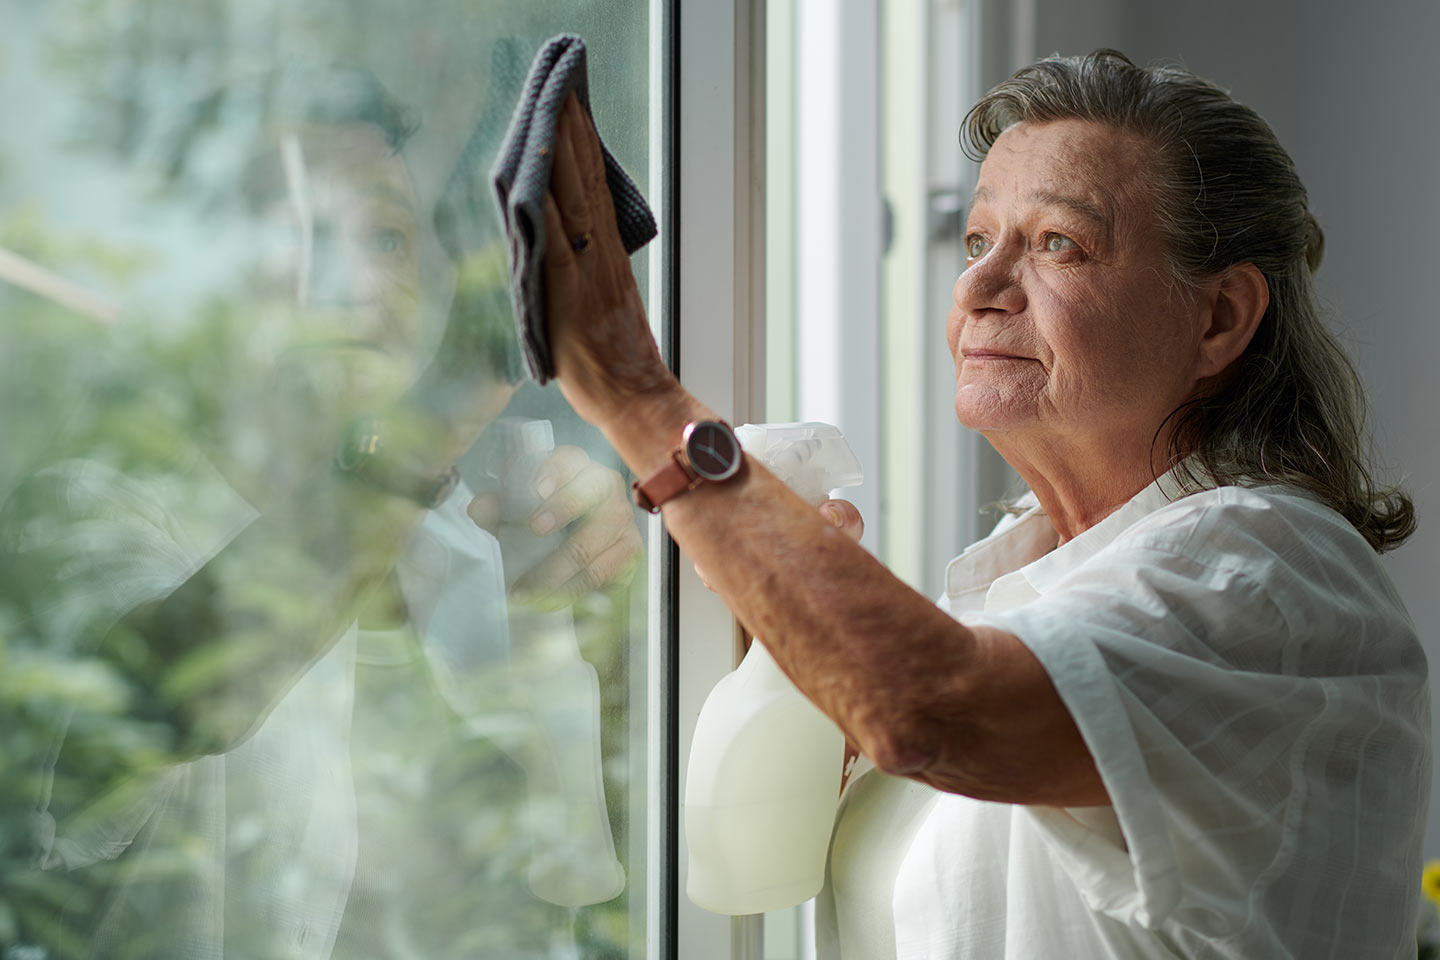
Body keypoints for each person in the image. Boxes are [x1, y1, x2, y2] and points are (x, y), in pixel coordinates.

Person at [538, 49, 1430, 958]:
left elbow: (929, 710)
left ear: (1219, 319)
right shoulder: (1023, 573)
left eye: (1056, 245)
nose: (976, 287)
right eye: (977, 241)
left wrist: (638, 395)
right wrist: (771, 590)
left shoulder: (1272, 577)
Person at [0, 66, 640, 959]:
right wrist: (459, 388)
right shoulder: (90, 514)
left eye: (384, 235)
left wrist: (585, 633)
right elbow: (156, 699)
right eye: (292, 229)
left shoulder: (459, 542)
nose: (350, 287)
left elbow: (563, 889)